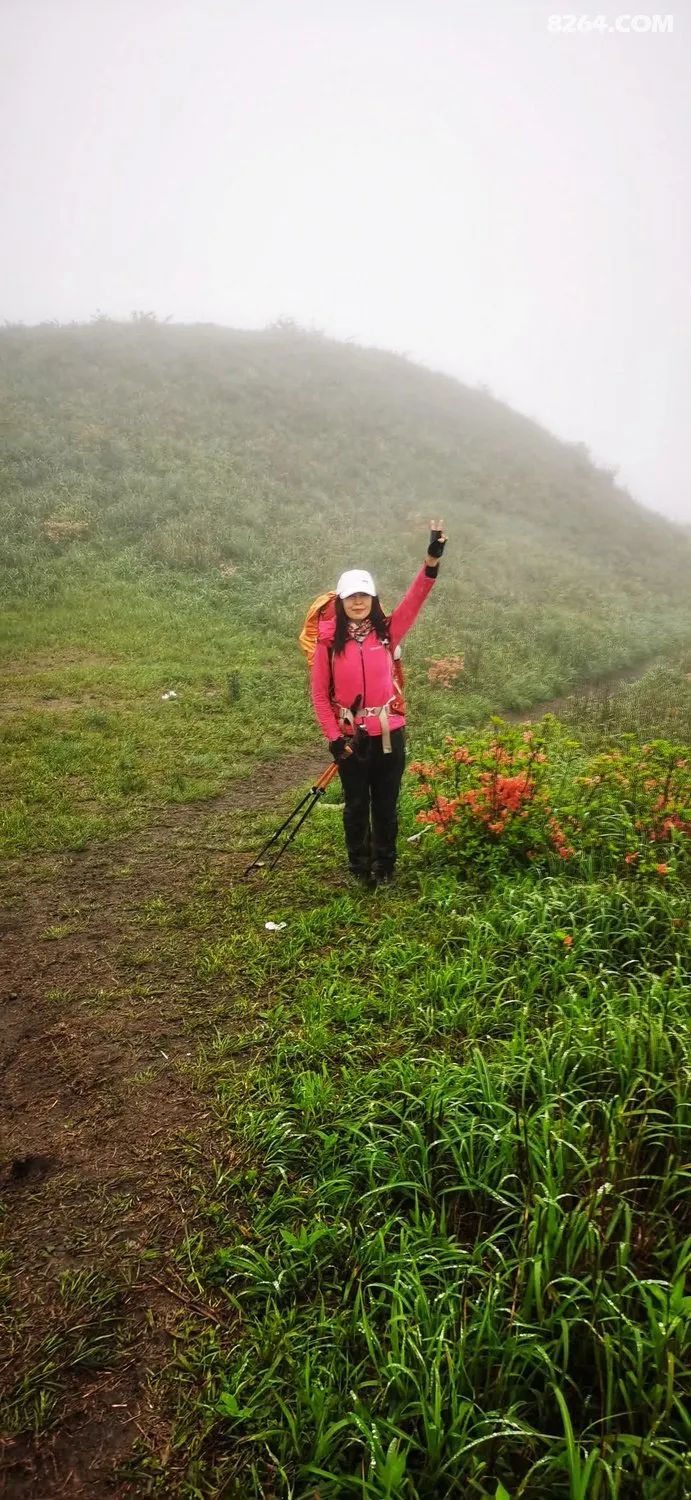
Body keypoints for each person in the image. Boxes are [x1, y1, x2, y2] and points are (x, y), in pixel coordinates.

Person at [310, 521, 447, 885]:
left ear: (372, 600)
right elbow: (320, 696)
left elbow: (415, 599)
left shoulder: (388, 632)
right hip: (351, 739)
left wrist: (430, 562)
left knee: (385, 805)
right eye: (352, 597)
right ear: (340, 602)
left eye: (364, 596)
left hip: (390, 733)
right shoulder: (327, 644)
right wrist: (333, 738)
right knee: (357, 805)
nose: (358, 602)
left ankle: (384, 866)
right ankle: (359, 867)